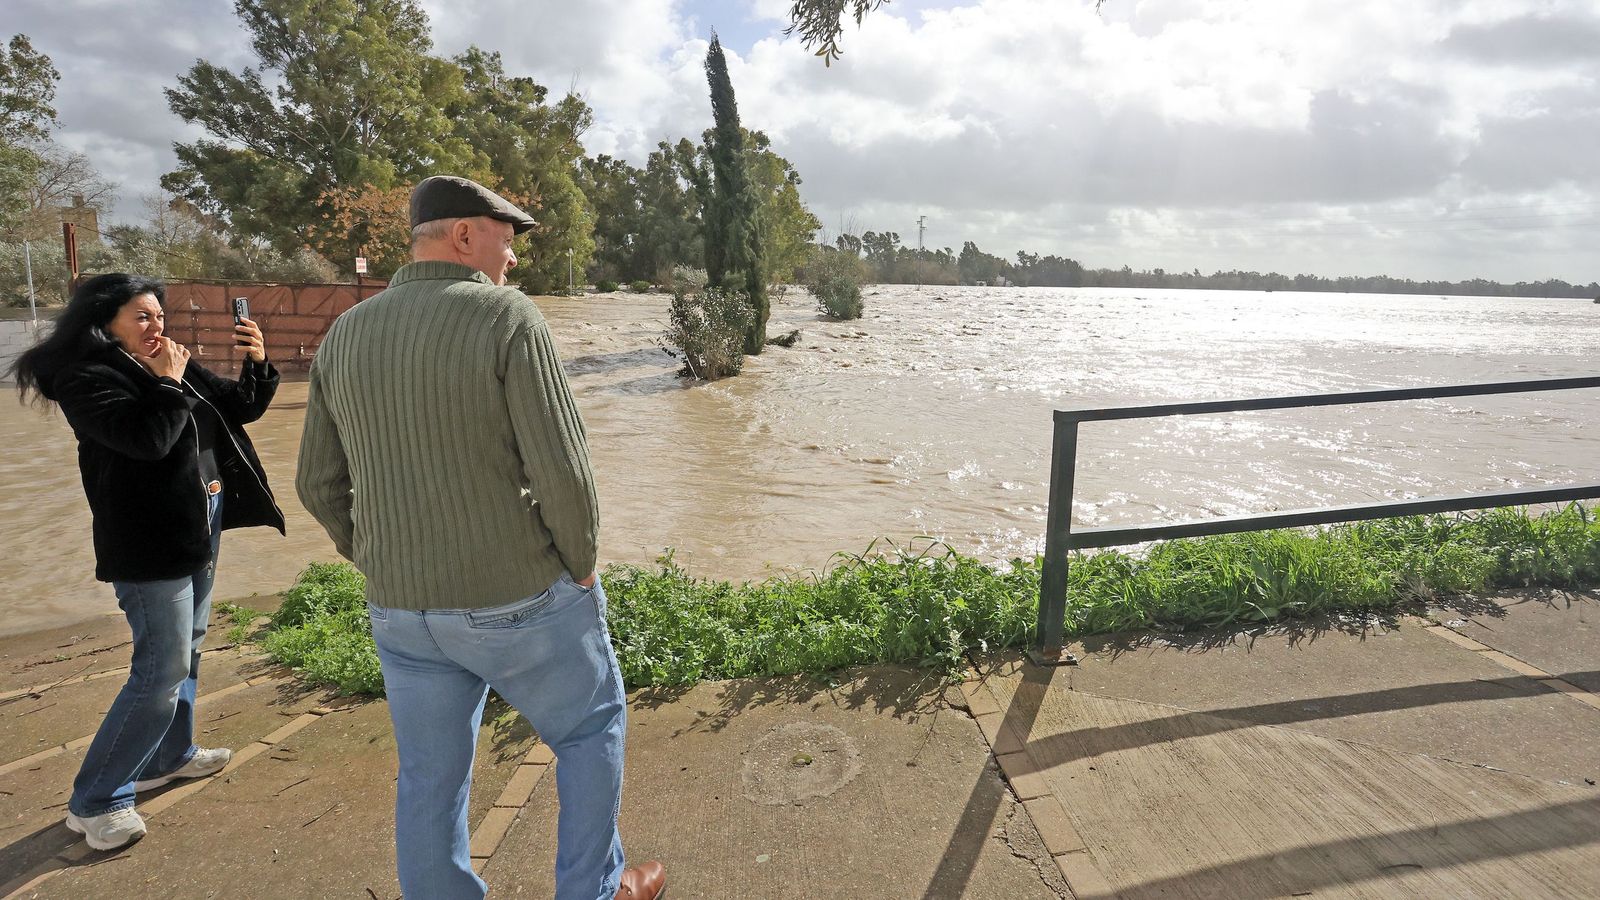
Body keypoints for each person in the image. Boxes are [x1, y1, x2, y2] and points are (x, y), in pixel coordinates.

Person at [296, 176, 664, 900]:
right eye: (508, 237)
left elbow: (316, 485)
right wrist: (580, 564)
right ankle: (595, 890)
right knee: (590, 731)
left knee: (431, 775)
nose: (515, 258)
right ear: (464, 235)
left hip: (401, 611)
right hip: (517, 598)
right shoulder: (506, 318)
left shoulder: (345, 334)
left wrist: (376, 557)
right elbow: (563, 473)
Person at [8, 272, 284, 851]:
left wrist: (256, 362)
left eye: (159, 315)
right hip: (145, 543)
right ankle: (97, 799)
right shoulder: (86, 378)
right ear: (103, 321)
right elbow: (148, 442)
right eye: (141, 316)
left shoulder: (167, 362)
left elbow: (241, 409)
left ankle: (170, 755)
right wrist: (167, 383)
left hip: (198, 528)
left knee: (189, 650)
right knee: (158, 672)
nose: (156, 326)